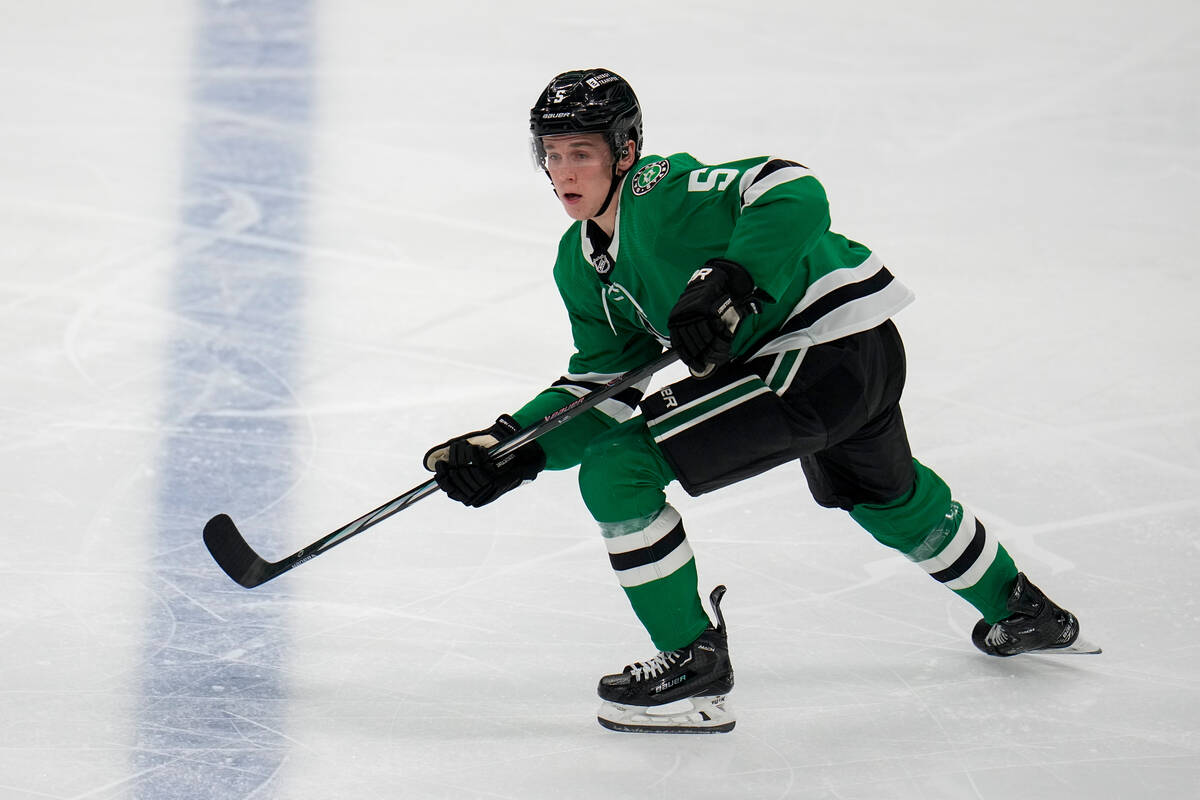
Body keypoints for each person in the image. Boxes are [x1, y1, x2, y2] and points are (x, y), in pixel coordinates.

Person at [422, 68, 1092, 734]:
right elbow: (602, 385)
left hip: (819, 353)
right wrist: (512, 447)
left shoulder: (662, 191)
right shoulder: (580, 263)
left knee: (617, 470)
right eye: (554, 154)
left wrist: (731, 275)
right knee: (885, 499)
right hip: (852, 357)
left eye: (583, 153)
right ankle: (1023, 609)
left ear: (624, 151)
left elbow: (790, 186)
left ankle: (693, 665)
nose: (565, 170)